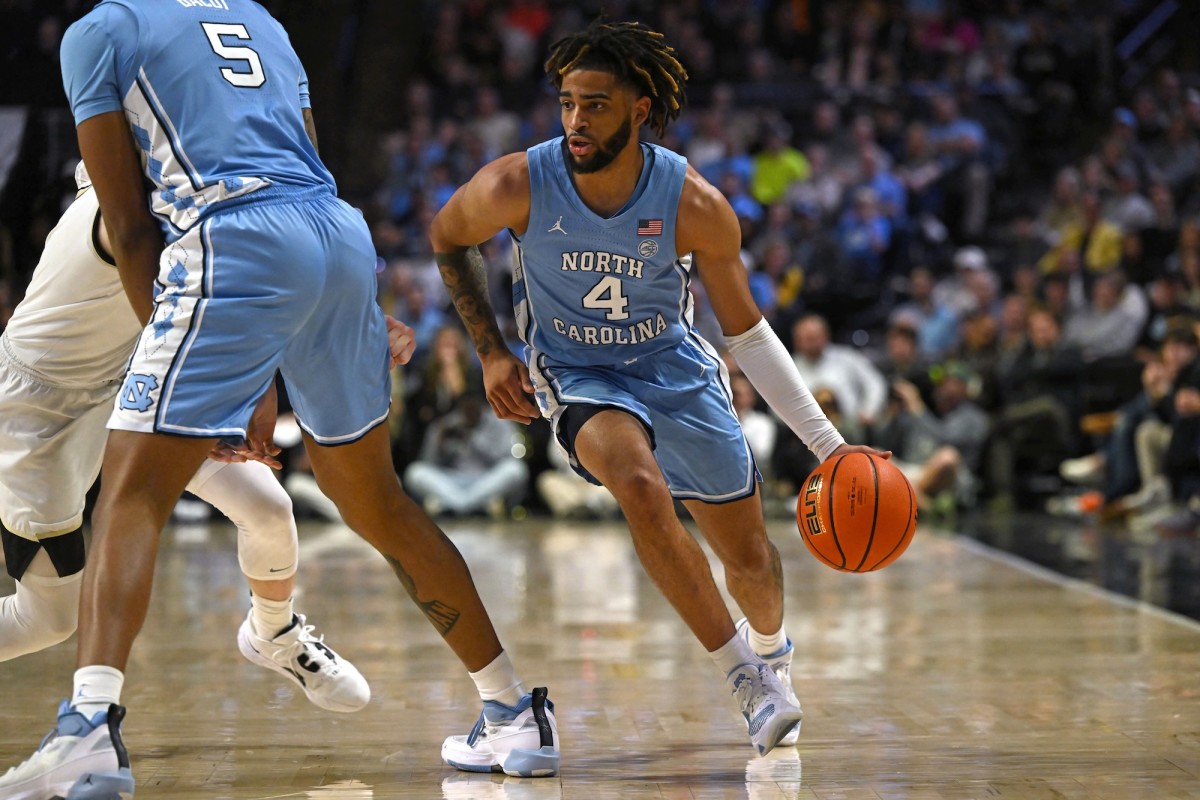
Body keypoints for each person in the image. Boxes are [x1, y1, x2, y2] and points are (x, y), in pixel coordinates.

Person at [0, 3, 557, 797]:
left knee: (148, 497)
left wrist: (239, 379)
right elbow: (299, 172)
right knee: (374, 501)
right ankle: (511, 709)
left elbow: (142, 233)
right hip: (310, 248)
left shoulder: (105, 34)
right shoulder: (257, 21)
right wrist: (330, 324)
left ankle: (99, 721)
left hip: (223, 266)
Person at [429, 19, 886, 756]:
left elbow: (747, 333)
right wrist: (490, 350)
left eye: (596, 105)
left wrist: (830, 448)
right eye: (568, 103)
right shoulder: (518, 183)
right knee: (639, 486)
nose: (576, 121)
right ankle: (743, 678)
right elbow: (448, 236)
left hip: (675, 368)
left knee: (752, 563)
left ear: (640, 110)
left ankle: (771, 655)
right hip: (577, 372)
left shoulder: (694, 203)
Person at [0, 165, 370, 717]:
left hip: (133, 380)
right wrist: (246, 387)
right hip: (42, 408)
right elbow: (189, 305)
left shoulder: (190, 197)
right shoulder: (126, 213)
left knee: (268, 509)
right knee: (47, 620)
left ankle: (274, 633)